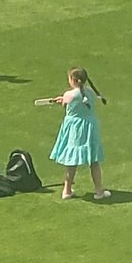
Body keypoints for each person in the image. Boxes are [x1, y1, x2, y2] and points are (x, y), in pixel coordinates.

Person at [49, 66, 109, 201]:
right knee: (94, 160)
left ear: (74, 80)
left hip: (75, 129)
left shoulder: (69, 95)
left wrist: (62, 101)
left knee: (72, 160)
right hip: (89, 128)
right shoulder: (91, 93)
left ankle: (67, 190)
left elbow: (67, 104)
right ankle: (99, 191)